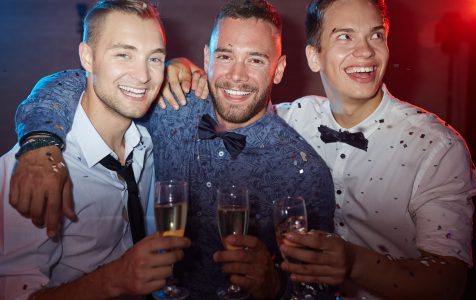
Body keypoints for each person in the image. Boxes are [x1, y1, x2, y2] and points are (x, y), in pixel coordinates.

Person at [104, 0, 476, 299]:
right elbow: (92, 89)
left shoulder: (435, 145)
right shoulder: (294, 114)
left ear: (280, 69)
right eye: (345, 36)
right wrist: (166, 70)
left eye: (375, 36)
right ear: (314, 56)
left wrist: (337, 266)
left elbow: (449, 283)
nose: (364, 52)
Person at [8, 0, 336, 299]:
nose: (237, 75)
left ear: (277, 69)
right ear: (206, 59)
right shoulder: (170, 106)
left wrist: (276, 287)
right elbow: (82, 83)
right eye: (225, 55)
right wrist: (40, 142)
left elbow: (318, 288)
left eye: (255, 60)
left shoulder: (303, 172)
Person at [0, 1, 191, 299]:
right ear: (87, 57)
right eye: (123, 54)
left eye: (154, 59)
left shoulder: (149, 144)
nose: (143, 75)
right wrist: (114, 280)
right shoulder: (34, 170)